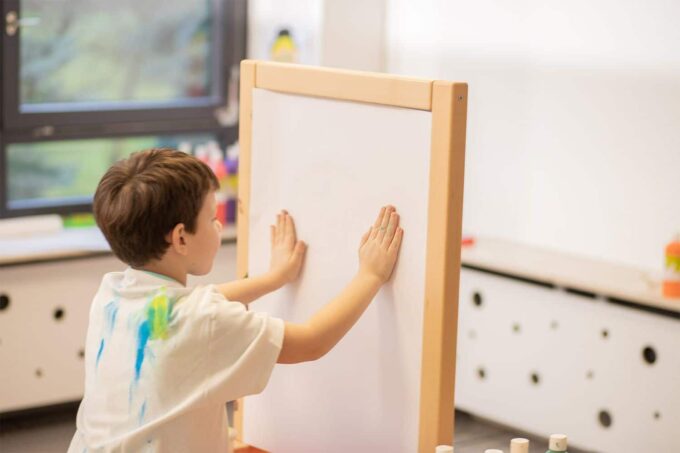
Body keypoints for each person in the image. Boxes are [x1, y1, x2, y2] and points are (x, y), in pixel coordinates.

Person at [68, 147, 404, 452]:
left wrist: (274, 278)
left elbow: (196, 304)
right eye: (212, 218)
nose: (218, 225)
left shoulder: (112, 295)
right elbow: (312, 341)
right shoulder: (202, 320)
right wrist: (370, 275)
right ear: (181, 238)